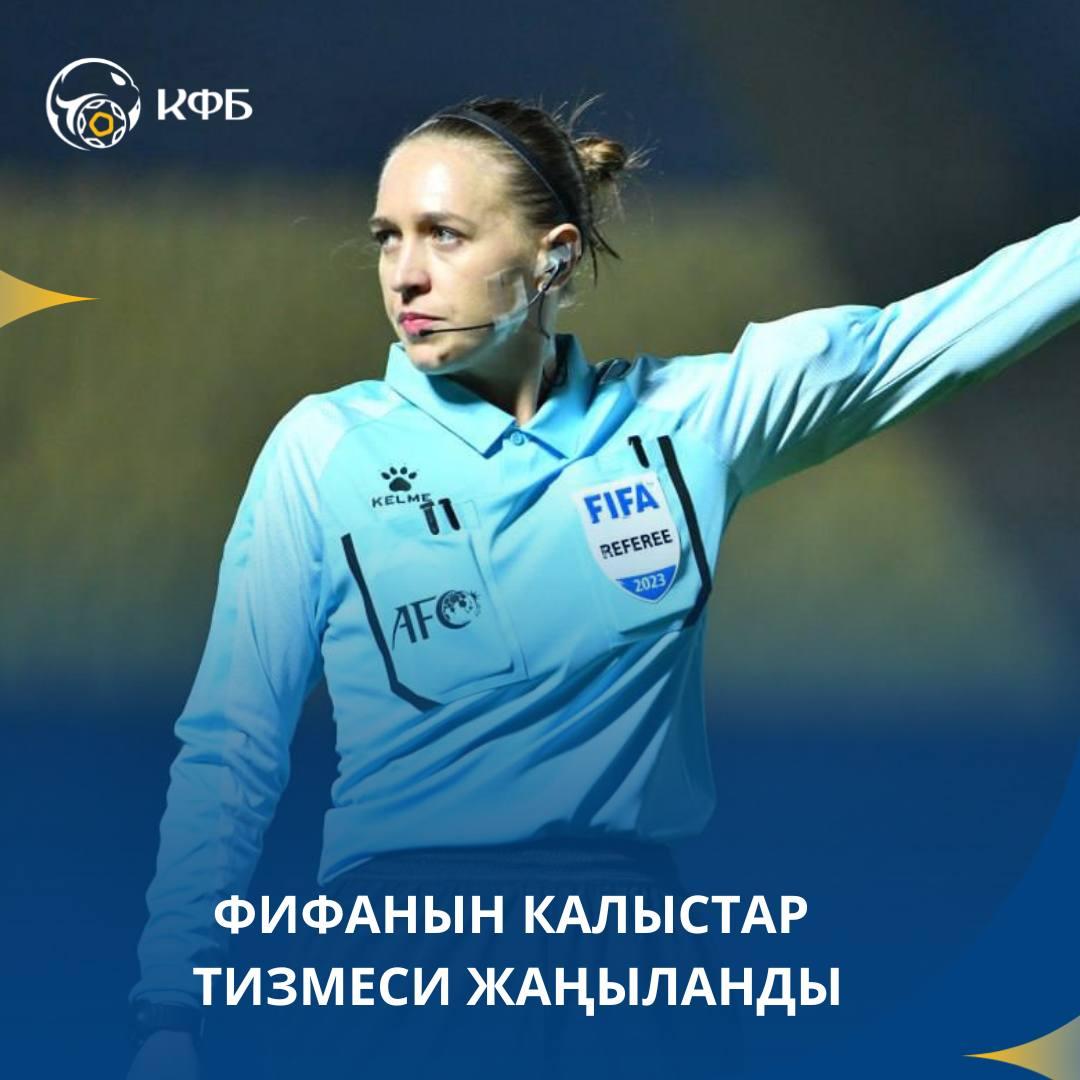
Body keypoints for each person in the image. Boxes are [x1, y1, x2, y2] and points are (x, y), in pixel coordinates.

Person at [127, 94, 1080, 1079]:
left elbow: (940, 329)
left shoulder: (690, 422)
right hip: (404, 962)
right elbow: (233, 742)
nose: (405, 273)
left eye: (445, 234)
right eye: (387, 237)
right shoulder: (325, 448)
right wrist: (169, 1009)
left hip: (635, 970)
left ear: (554, 257)